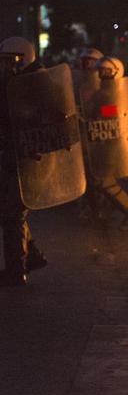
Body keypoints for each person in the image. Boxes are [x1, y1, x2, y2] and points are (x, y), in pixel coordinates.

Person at [0, 37, 47, 286]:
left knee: (13, 214)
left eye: (11, 60)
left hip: (27, 157)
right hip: (15, 154)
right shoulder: (15, 81)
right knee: (11, 212)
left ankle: (16, 270)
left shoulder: (33, 83)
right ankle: (32, 256)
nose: (7, 66)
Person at [83, 56, 128, 230]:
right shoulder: (102, 90)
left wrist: (96, 114)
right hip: (100, 142)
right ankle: (103, 210)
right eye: (100, 70)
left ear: (116, 72)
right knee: (98, 179)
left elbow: (112, 112)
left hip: (109, 143)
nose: (102, 74)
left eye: (106, 71)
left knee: (101, 179)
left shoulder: (114, 93)